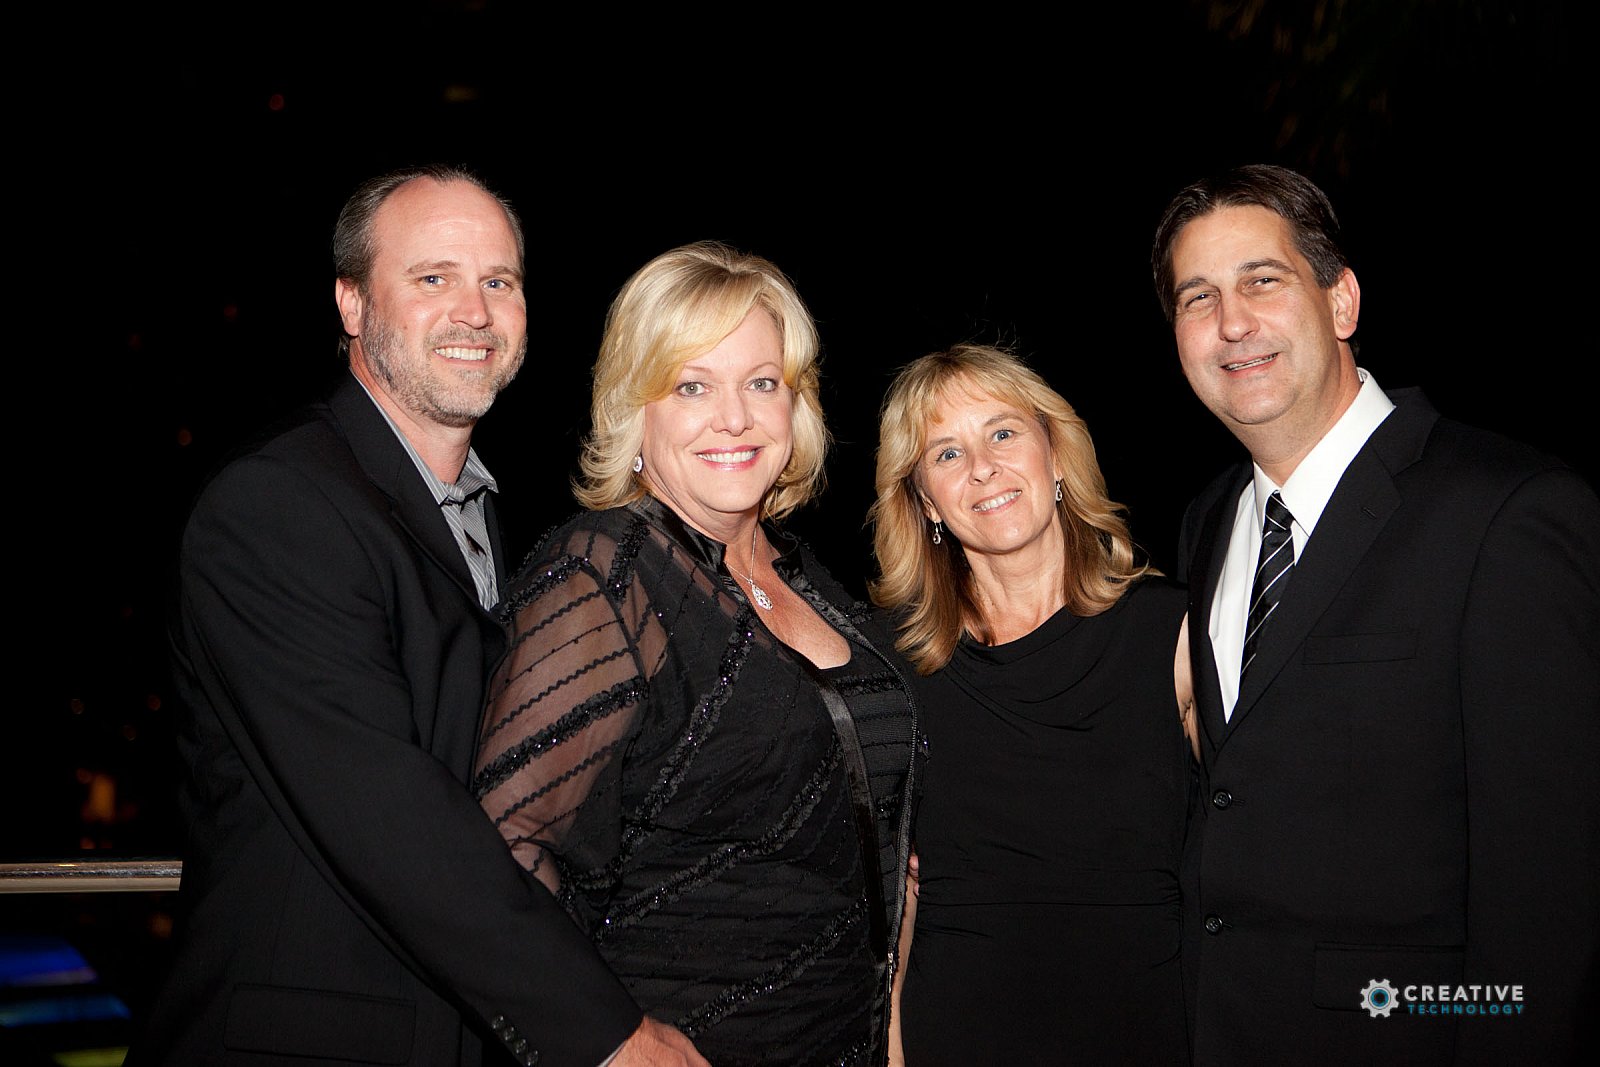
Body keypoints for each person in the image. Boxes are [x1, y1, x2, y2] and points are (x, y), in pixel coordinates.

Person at [135, 165, 697, 1067]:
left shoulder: (476, 510)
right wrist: (608, 1033)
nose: (474, 310)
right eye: (434, 277)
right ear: (352, 303)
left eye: (499, 281)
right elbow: (391, 815)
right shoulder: (280, 503)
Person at [1154, 163, 1600, 1063]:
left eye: (1262, 280)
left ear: (1342, 301)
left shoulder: (1504, 511)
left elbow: (1546, 896)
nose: (1231, 322)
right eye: (1198, 297)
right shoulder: (1205, 523)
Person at [473, 241, 921, 1066]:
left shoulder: (807, 575)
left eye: (762, 383)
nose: (735, 418)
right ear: (635, 411)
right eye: (691, 386)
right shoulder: (604, 571)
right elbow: (504, 846)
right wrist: (608, 1038)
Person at [868, 345, 1196, 1064]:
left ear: (1056, 456)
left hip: (1150, 1031)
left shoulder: (1174, 632)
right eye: (946, 454)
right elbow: (892, 897)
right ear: (925, 502)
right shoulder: (892, 664)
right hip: (958, 1035)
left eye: (1003, 432)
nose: (983, 467)